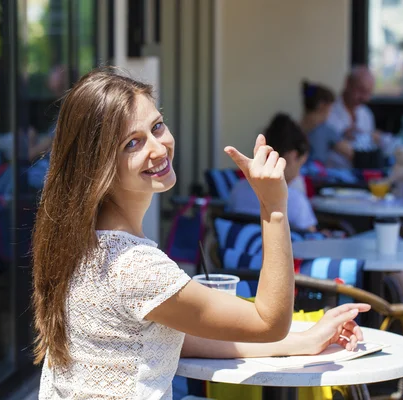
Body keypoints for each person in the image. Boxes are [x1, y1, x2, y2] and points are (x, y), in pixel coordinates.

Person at [32, 68, 370, 399]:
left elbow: (174, 337)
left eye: (157, 127)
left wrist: (305, 341)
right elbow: (270, 321)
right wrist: (274, 208)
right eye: (133, 143)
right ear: (99, 164)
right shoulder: (134, 266)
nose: (158, 148)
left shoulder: (79, 242)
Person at [227, 114, 320, 233]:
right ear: (292, 156)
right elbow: (311, 240)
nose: (299, 174)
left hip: (245, 249)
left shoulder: (238, 190)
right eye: (301, 164)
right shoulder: (294, 200)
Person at [326, 65, 383, 167]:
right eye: (361, 90)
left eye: (368, 93)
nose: (364, 97)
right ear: (348, 84)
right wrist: (341, 136)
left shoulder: (366, 114)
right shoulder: (327, 111)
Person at [300, 80, 351, 168]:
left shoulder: (295, 128)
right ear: (322, 105)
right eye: (330, 108)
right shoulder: (325, 130)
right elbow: (350, 153)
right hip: (316, 179)